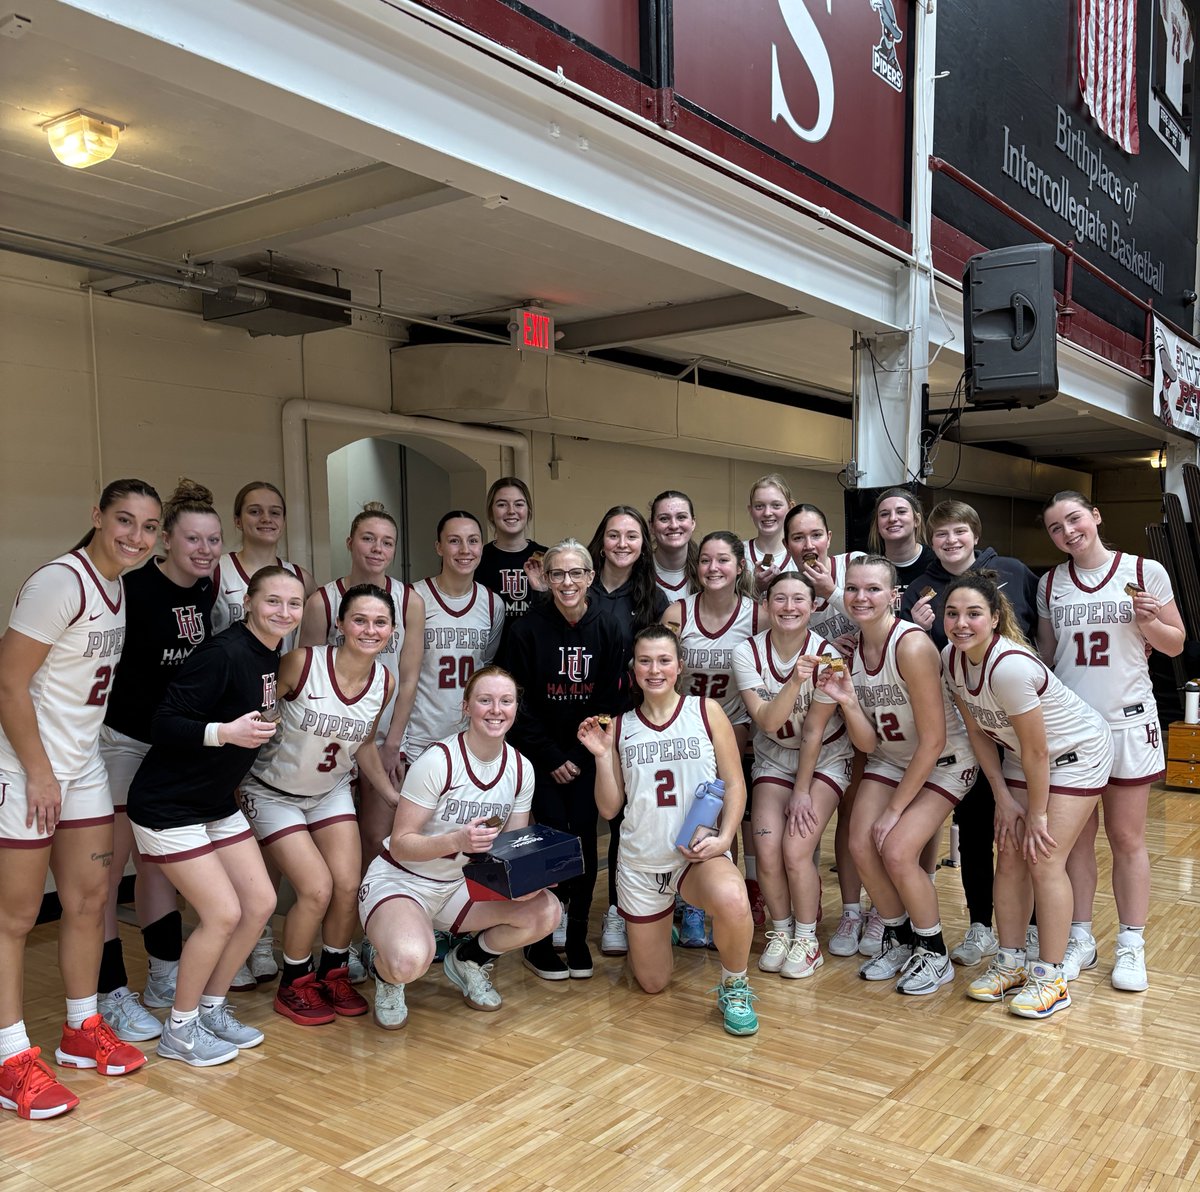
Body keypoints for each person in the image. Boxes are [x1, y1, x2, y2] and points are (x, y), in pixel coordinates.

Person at [0, 479, 162, 1121]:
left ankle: (79, 1028)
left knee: (90, 901)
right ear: (97, 516)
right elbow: (9, 685)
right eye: (125, 520)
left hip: (82, 764)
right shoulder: (58, 582)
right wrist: (39, 773)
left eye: (148, 527)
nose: (136, 536)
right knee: (13, 918)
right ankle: (11, 1057)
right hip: (26, 766)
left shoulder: (118, 585)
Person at [126, 567, 305, 1067]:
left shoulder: (270, 654)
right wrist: (222, 734)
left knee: (261, 901)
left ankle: (211, 1008)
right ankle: (178, 1031)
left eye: (294, 604)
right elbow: (165, 723)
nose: (283, 612)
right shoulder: (222, 652)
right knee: (222, 913)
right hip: (167, 805)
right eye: (273, 601)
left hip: (212, 802)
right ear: (248, 602)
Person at [943, 572, 1114, 1018]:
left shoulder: (1011, 666)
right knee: (1011, 854)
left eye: (974, 614)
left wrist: (1036, 814)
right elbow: (979, 732)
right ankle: (1010, 962)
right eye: (952, 613)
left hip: (1076, 752)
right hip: (1023, 756)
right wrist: (1000, 794)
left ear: (995, 619)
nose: (961, 623)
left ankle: (1052, 977)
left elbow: (1039, 751)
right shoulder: (952, 658)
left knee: (1043, 856)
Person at [577, 625, 758, 1036]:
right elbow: (609, 807)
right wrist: (603, 757)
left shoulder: (706, 712)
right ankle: (658, 926)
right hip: (642, 863)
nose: (654, 669)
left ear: (679, 666)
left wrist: (726, 838)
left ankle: (735, 985)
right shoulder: (620, 727)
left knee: (733, 898)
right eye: (645, 661)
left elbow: (734, 783)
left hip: (696, 856)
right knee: (653, 983)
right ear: (633, 669)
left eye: (663, 660)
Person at [1037, 491, 1184, 991]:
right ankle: (1080, 935)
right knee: (1075, 840)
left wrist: (1150, 623)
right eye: (1056, 527)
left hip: (1127, 721)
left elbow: (1176, 643)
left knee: (1126, 838)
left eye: (1074, 518)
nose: (1068, 531)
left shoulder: (1146, 571)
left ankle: (1131, 943)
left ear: (1095, 516)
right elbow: (1046, 658)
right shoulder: (1051, 583)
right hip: (1074, 729)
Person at [358, 667, 560, 1029]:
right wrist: (455, 841)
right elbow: (401, 845)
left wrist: (532, 875)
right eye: (485, 700)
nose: (495, 710)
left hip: (460, 888)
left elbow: (512, 851)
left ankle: (469, 959)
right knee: (410, 960)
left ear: (516, 708)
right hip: (405, 881)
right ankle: (385, 971)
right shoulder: (438, 761)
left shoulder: (520, 768)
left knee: (546, 911)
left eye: (505, 701)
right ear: (466, 707)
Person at [97, 479, 222, 1045]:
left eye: (213, 541)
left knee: (158, 868)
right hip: (124, 744)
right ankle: (107, 991)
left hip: (174, 747)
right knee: (105, 874)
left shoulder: (204, 593)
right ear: (165, 541)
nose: (203, 549)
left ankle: (163, 976)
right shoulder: (132, 591)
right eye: (192, 539)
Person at [817, 556, 977, 996]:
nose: (860, 597)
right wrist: (848, 702)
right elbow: (868, 745)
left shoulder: (910, 645)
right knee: (857, 842)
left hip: (944, 761)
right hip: (891, 758)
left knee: (898, 849)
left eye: (872, 589)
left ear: (894, 596)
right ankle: (900, 937)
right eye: (852, 589)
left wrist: (893, 810)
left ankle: (934, 951)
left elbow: (933, 740)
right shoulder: (850, 651)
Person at [243, 584, 398, 1026]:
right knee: (316, 888)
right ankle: (295, 981)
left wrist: (390, 796)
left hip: (328, 791)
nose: (370, 630)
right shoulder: (301, 662)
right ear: (341, 624)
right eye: (360, 620)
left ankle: (333, 972)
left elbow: (364, 744)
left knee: (349, 885)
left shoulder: (383, 681)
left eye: (380, 622)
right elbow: (256, 718)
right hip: (272, 792)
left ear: (391, 630)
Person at [898, 500, 1039, 970]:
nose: (950, 541)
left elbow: (1042, 634)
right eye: (941, 535)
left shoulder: (1014, 572)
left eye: (959, 532)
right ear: (930, 539)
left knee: (1021, 832)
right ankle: (981, 925)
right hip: (965, 723)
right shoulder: (919, 588)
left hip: (1019, 718)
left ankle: (1031, 928)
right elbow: (913, 655)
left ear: (975, 534)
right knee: (976, 828)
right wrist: (914, 628)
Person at [497, 539, 628, 980]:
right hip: (540, 756)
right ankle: (537, 941)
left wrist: (579, 753)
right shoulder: (527, 629)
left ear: (591, 577)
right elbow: (517, 700)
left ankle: (574, 935)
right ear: (546, 578)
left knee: (586, 843)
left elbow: (613, 696)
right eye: (557, 574)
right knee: (546, 842)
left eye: (576, 573)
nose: (567, 582)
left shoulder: (610, 626)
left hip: (589, 754)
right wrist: (552, 755)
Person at [732, 574, 853, 978]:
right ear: (765, 605)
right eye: (779, 598)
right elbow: (768, 720)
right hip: (773, 755)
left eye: (798, 599)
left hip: (825, 758)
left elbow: (815, 731)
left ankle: (807, 939)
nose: (789, 606)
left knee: (795, 850)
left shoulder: (827, 654)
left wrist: (802, 791)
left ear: (813, 606)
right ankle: (780, 932)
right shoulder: (746, 653)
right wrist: (796, 679)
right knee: (765, 851)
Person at [300, 503, 424, 869]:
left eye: (387, 543)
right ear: (350, 542)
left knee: (376, 838)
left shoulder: (409, 601)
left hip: (382, 736)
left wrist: (393, 744)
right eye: (368, 539)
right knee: (333, 845)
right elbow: (306, 676)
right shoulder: (322, 601)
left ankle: (373, 922)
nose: (377, 549)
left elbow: (410, 677)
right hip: (331, 737)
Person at [782, 502, 867, 956]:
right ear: (787, 543)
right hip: (825, 711)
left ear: (829, 537)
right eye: (797, 538)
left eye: (814, 535)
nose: (807, 545)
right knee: (843, 820)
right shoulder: (788, 586)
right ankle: (848, 911)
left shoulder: (854, 568)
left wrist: (835, 592)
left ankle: (876, 912)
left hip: (872, 700)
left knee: (866, 819)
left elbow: (879, 618)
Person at [669, 532, 761, 945]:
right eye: (705, 560)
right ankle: (688, 906)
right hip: (685, 729)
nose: (713, 568)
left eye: (723, 560)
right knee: (687, 818)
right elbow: (661, 670)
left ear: (740, 567)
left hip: (735, 726)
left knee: (726, 820)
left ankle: (726, 901)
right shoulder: (678, 612)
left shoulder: (758, 616)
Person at [585, 506, 669, 956]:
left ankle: (617, 910)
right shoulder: (581, 589)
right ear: (601, 540)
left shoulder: (651, 599)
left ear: (643, 545)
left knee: (623, 821)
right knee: (579, 820)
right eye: (614, 534)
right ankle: (566, 907)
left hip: (628, 724)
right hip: (580, 720)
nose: (622, 543)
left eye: (632, 536)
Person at [406, 512, 506, 765]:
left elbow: (486, 664)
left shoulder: (493, 604)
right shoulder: (413, 597)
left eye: (473, 541)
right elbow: (398, 672)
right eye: (454, 541)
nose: (465, 550)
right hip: (419, 737)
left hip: (471, 736)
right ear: (439, 547)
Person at [211, 480, 315, 641]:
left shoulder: (301, 578)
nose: (266, 518)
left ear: (283, 521)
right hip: (227, 665)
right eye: (255, 511)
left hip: (280, 666)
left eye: (275, 513)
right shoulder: (217, 570)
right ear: (237, 521)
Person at [475, 476, 546, 622]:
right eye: (502, 505)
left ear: (529, 511)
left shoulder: (547, 557)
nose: (511, 511)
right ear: (490, 512)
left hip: (536, 643)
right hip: (492, 644)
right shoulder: (477, 558)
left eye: (519, 504)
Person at [866, 488, 935, 596]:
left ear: (916, 520)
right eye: (884, 514)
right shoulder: (869, 568)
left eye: (901, 512)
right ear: (877, 525)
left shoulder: (937, 564)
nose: (892, 518)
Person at [743, 474, 797, 594]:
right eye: (759, 506)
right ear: (750, 510)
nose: (767, 513)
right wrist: (754, 588)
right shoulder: (737, 553)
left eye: (776, 505)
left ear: (791, 508)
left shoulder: (800, 556)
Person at [649, 490, 699, 602]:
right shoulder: (637, 571)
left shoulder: (707, 571)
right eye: (664, 519)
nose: (674, 525)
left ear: (693, 523)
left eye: (681, 517)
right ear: (651, 526)